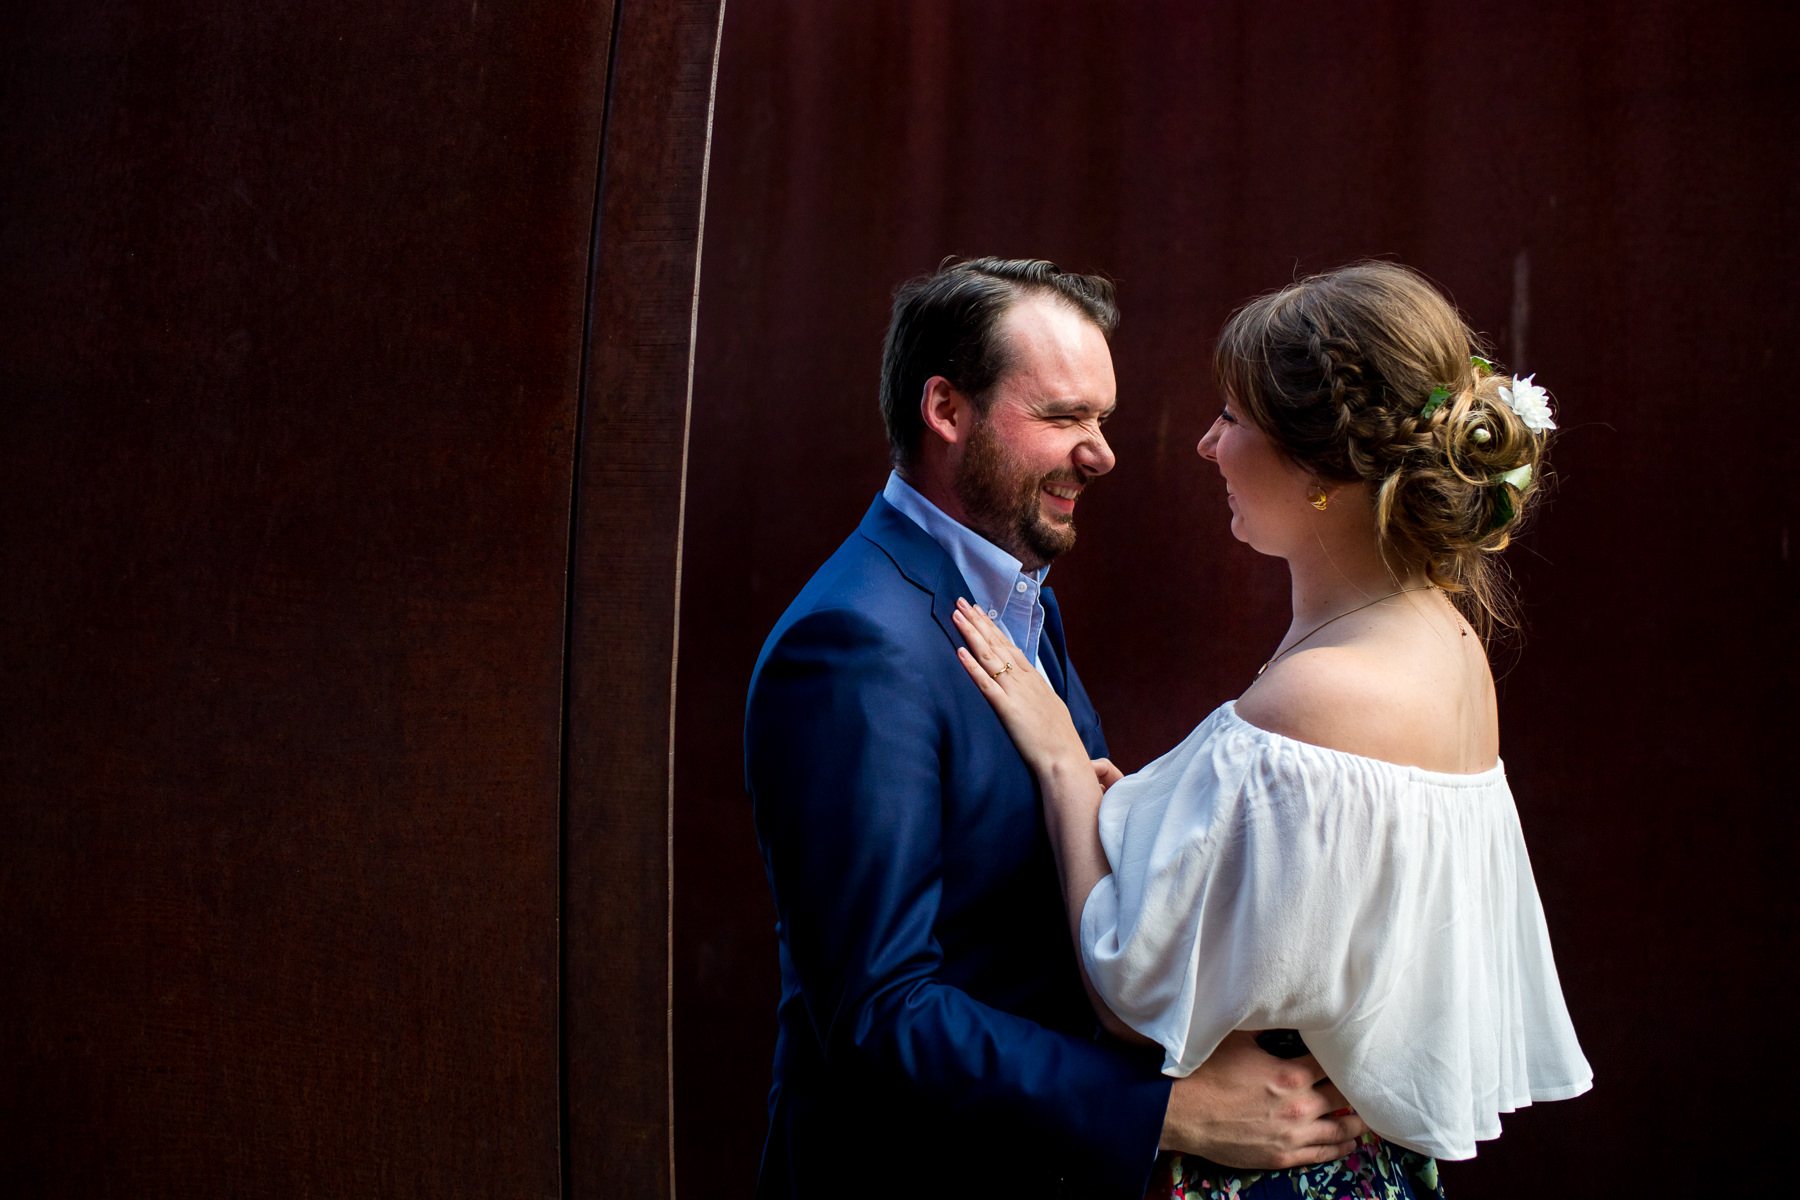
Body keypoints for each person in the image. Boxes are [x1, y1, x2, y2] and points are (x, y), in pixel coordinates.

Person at [953, 261, 1593, 1200]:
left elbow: (1135, 991)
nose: (1208, 444)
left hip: (1269, 1168)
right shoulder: (1444, 639)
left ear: (1324, 468)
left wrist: (1057, 766)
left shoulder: (1326, 693)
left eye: (1235, 420)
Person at [745, 258, 1369, 1200]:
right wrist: (1170, 1110)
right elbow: (880, 1015)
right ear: (946, 409)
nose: (1103, 452)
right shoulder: (853, 646)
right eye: (1065, 417)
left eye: (1103, 420)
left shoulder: (1011, 590)